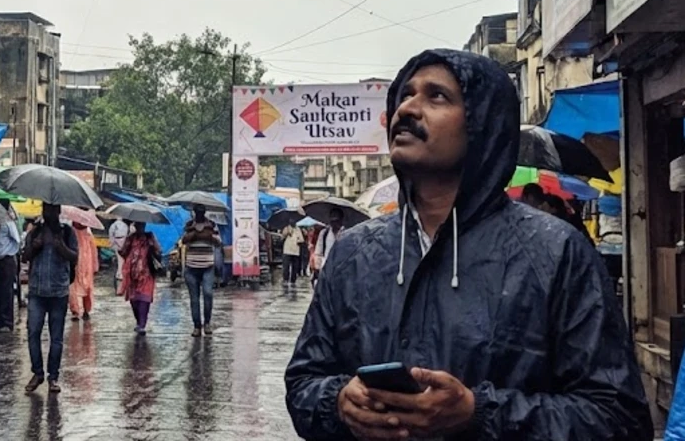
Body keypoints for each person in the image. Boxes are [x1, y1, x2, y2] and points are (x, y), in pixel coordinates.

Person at [285, 49, 652, 441]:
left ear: (483, 124)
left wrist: (479, 413)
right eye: (405, 95)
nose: (408, 108)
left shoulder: (558, 252)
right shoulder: (353, 253)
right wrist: (339, 402)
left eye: (437, 96)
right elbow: (304, 382)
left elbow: (618, 418)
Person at [23, 204, 77, 394]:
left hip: (58, 292)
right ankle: (37, 372)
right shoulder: (35, 232)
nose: (50, 214)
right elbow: (25, 256)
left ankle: (53, 377)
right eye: (47, 209)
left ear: (59, 211)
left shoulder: (68, 232)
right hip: (37, 291)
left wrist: (60, 246)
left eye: (53, 210)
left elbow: (74, 257)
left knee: (56, 339)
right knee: (33, 333)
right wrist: (35, 246)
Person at [181, 206, 222, 336]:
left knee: (208, 293)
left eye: (201, 211)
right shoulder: (188, 225)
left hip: (208, 267)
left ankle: (207, 323)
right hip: (191, 267)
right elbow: (184, 240)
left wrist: (208, 236)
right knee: (194, 299)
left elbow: (219, 242)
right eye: (197, 211)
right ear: (194, 212)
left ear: (204, 212)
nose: (199, 214)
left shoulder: (212, 225)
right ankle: (197, 326)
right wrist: (194, 234)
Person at [118, 221, 160, 336]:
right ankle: (139, 321)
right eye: (138, 226)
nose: (140, 227)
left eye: (142, 225)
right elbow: (122, 252)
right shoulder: (131, 238)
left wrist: (151, 247)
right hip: (132, 275)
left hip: (147, 274)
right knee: (134, 301)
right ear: (135, 227)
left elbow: (158, 251)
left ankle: (142, 324)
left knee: (144, 300)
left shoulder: (150, 237)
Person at [0, 199, 20, 332]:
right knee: (0, 291)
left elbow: (17, 240)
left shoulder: (9, 223)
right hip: (0, 261)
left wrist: (10, 251)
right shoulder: (0, 224)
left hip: (7, 260)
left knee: (6, 291)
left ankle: (7, 321)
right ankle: (1, 320)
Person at [68, 220, 98, 322]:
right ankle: (75, 310)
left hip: (87, 264)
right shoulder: (71, 232)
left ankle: (86, 309)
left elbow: (93, 250)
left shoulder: (88, 232)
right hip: (75, 263)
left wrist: (94, 266)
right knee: (73, 288)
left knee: (88, 288)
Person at [108, 216, 129, 292]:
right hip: (121, 244)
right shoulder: (124, 225)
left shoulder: (113, 226)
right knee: (121, 262)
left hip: (117, 244)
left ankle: (120, 277)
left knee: (120, 263)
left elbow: (111, 236)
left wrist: (112, 244)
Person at [281, 224, 305, 289]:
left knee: (295, 267)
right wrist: (287, 232)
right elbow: (282, 237)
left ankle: (293, 280)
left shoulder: (298, 229)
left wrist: (299, 240)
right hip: (287, 250)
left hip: (295, 251)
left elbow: (302, 239)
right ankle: (285, 279)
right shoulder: (286, 228)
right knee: (286, 266)